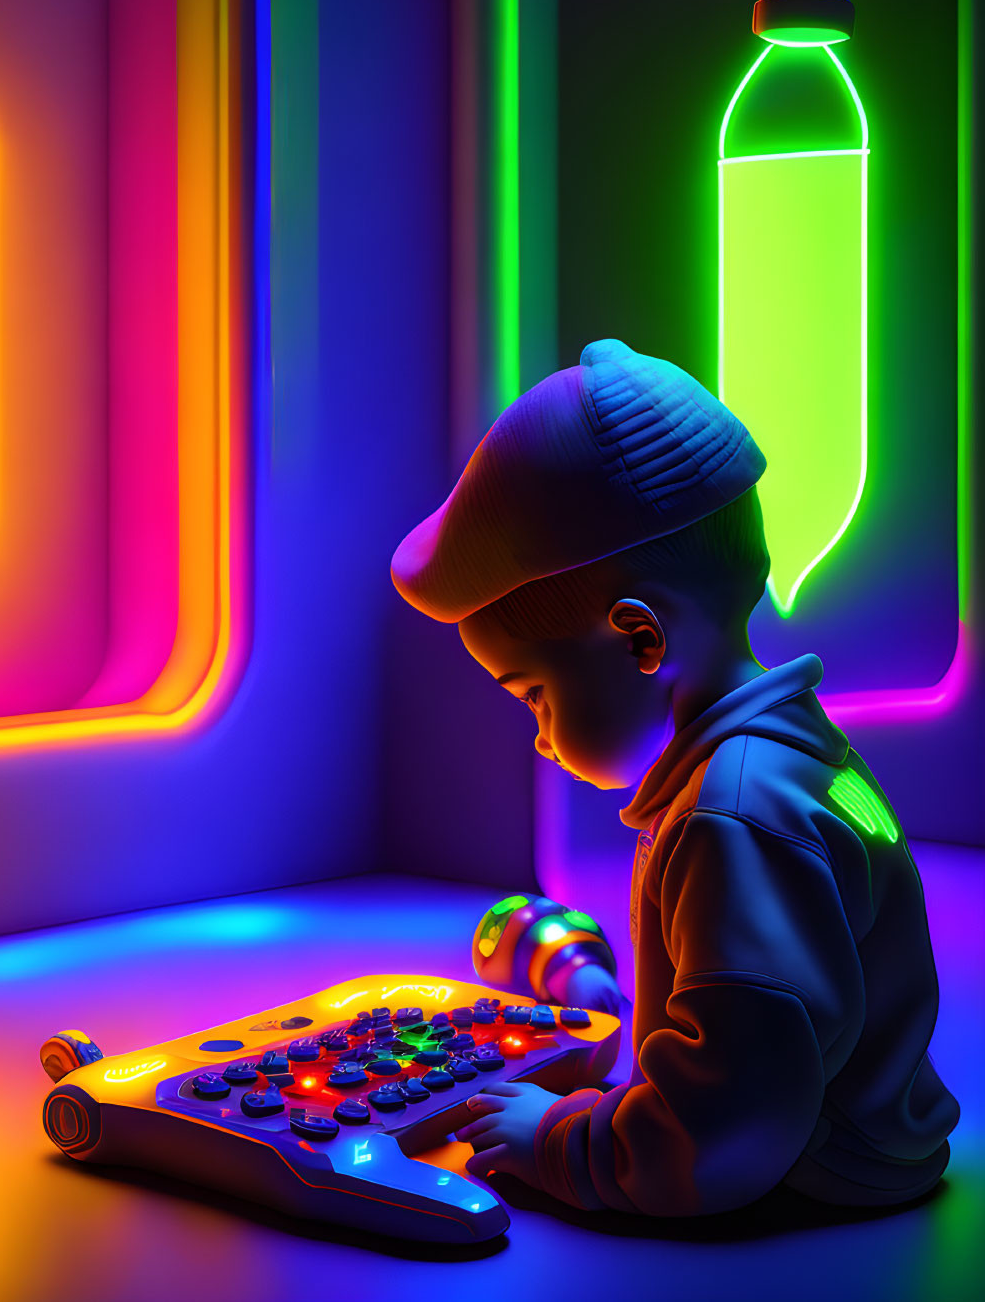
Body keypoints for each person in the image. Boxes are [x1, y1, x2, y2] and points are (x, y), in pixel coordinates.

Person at [390, 339, 959, 1216]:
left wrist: (560, 1139)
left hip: (817, 1179)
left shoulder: (727, 817)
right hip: (874, 1143)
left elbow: (733, 1122)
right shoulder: (797, 754)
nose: (540, 738)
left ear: (640, 639)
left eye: (536, 694)